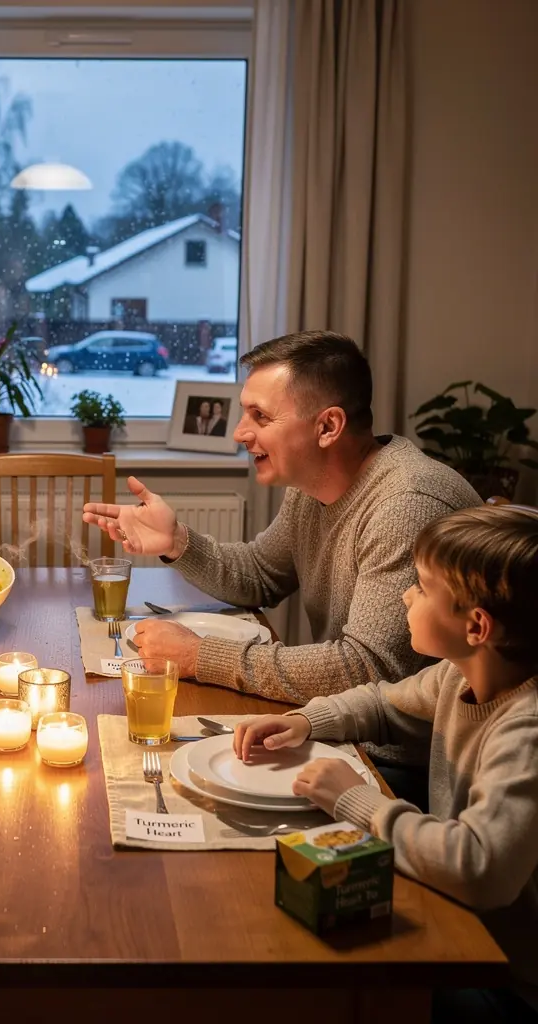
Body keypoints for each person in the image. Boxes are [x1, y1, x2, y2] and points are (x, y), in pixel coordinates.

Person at [233, 505, 538, 1023]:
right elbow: (383, 703)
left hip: (502, 978)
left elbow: (478, 867)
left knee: (308, 989)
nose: (406, 595)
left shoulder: (526, 730)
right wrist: (307, 721)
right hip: (463, 929)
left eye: (421, 587)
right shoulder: (456, 676)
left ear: (476, 625)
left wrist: (355, 800)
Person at [83, 331, 481, 706]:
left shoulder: (406, 504)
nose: (239, 432)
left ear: (327, 426)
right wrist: (176, 542)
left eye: (259, 415)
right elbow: (260, 575)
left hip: (395, 760)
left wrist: (199, 655)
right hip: (341, 724)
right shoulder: (310, 486)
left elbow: (366, 669)